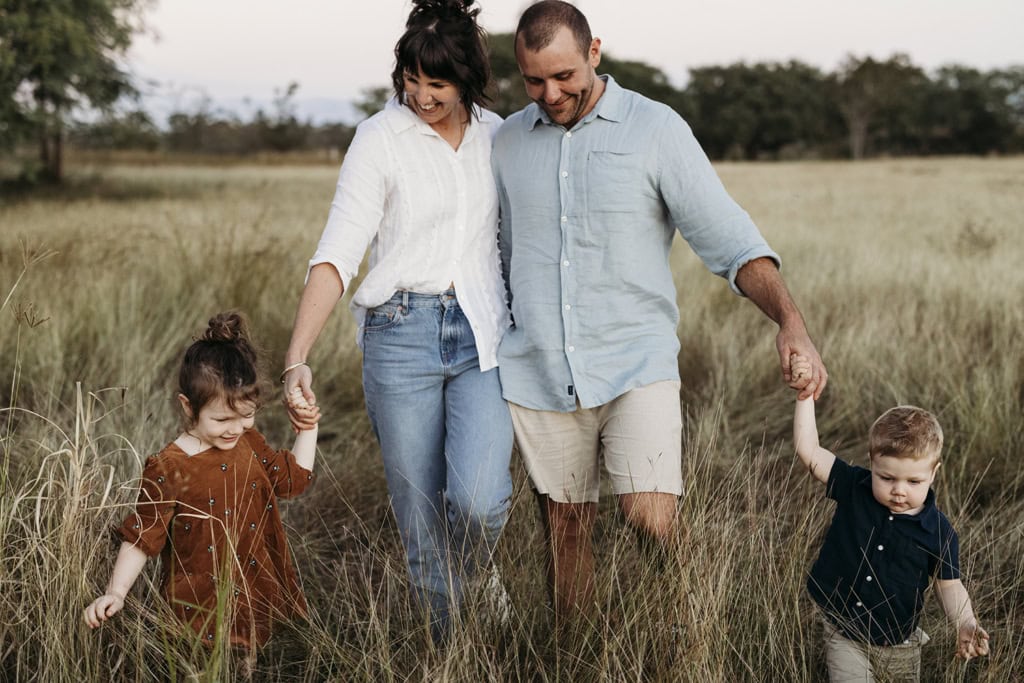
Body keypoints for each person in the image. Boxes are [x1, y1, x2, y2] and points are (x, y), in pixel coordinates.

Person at [491, 0, 828, 622]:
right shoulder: (506, 141)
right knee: (565, 530)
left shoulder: (656, 128)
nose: (550, 92)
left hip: (634, 360)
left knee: (650, 518)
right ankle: (577, 652)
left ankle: (693, 629)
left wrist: (790, 322)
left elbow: (727, 236)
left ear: (595, 52)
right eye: (533, 79)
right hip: (535, 368)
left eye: (564, 76)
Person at [281, 0, 513, 640]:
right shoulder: (378, 139)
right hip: (399, 335)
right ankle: (454, 654)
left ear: (467, 78)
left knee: (479, 503)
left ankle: (479, 578)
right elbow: (337, 254)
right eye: (411, 79)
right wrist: (297, 355)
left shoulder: (499, 135)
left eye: (436, 84)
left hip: (482, 335)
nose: (420, 95)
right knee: (420, 520)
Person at [84, 312, 319, 653]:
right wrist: (116, 592)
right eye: (222, 419)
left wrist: (308, 429)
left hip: (257, 590)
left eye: (247, 415)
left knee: (253, 659)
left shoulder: (249, 442)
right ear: (188, 407)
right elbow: (142, 537)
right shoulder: (168, 467)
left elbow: (291, 481)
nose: (235, 428)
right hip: (197, 609)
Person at [791, 354, 990, 681]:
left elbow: (949, 587)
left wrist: (966, 622)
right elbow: (810, 453)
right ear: (872, 462)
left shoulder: (939, 532)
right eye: (886, 478)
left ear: (934, 473)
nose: (899, 490)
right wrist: (804, 397)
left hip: (901, 645)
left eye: (913, 482)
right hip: (845, 632)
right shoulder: (856, 487)